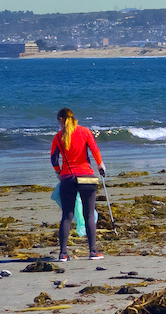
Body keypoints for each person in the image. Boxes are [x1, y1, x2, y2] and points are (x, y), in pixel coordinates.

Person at [51, 108, 106, 261]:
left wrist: (58, 172)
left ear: (61, 119)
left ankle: (63, 253)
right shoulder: (85, 131)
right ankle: (93, 252)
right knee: (88, 214)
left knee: (67, 216)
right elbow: (95, 150)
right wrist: (100, 165)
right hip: (87, 178)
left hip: (68, 178)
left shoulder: (58, 137)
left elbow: (54, 160)